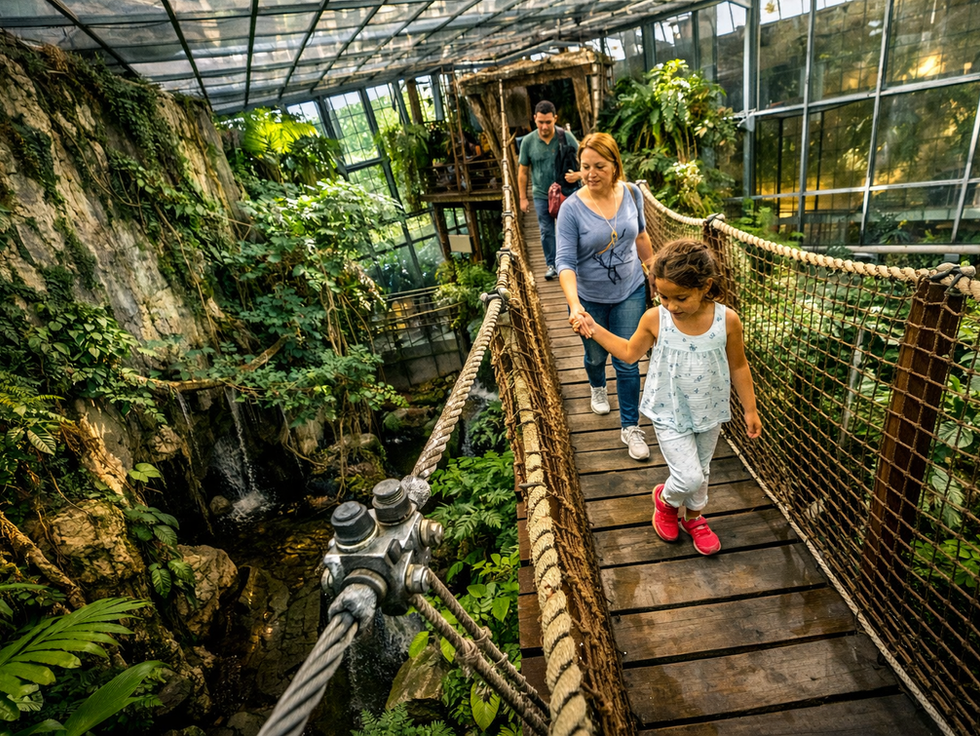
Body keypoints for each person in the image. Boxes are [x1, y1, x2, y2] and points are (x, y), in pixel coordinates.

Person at [573, 239, 763, 555]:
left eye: (681, 297)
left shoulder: (726, 320)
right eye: (663, 296)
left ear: (706, 287)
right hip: (669, 410)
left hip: (710, 412)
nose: (671, 305)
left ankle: (694, 518)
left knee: (701, 473)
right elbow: (629, 354)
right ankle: (665, 500)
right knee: (687, 476)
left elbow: (739, 365)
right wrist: (594, 329)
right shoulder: (655, 318)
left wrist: (750, 409)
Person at [555, 132, 655, 461]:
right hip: (591, 297)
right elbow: (565, 263)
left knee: (628, 360)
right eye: (585, 166)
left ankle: (630, 427)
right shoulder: (571, 210)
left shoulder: (631, 193)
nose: (591, 173)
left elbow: (640, 235)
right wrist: (575, 305)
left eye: (599, 166)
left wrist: (654, 271)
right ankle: (597, 385)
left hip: (630, 290)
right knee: (596, 357)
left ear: (614, 166)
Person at [518, 100, 582, 280]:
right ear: (534, 119)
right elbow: (522, 171)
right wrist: (523, 198)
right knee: (546, 230)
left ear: (555, 119)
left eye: (548, 122)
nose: (544, 126)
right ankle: (552, 264)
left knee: (570, 227)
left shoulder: (566, 136)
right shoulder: (528, 142)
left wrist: (578, 175)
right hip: (541, 193)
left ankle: (571, 262)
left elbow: (584, 160)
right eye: (540, 122)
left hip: (566, 192)